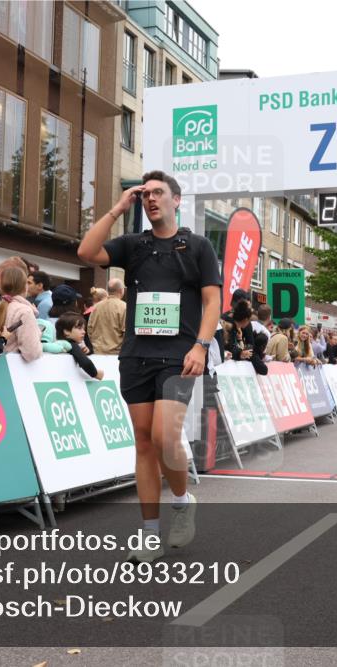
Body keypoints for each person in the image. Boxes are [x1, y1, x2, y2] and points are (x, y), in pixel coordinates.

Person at [77, 170, 221, 564]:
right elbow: (87, 254)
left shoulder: (197, 246)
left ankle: (181, 500)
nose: (151, 199)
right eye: (145, 195)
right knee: (142, 442)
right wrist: (118, 208)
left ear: (177, 200)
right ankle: (150, 534)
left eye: (159, 193)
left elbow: (212, 303)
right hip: (136, 354)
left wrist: (201, 346)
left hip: (179, 356)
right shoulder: (133, 245)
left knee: (163, 436)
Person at [0, 265, 43, 361]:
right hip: (14, 371)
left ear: (1, 286)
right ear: (24, 287)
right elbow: (31, 353)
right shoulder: (25, 312)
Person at [55, 312, 103, 380]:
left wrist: (87, 351)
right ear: (66, 331)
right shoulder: (71, 345)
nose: (84, 332)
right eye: (79, 328)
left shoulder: (61, 343)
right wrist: (96, 374)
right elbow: (86, 362)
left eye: (83, 329)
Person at [88, 278, 127, 355]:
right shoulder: (124, 307)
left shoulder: (96, 307)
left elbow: (90, 329)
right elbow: (126, 332)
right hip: (116, 353)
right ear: (121, 290)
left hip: (97, 352)